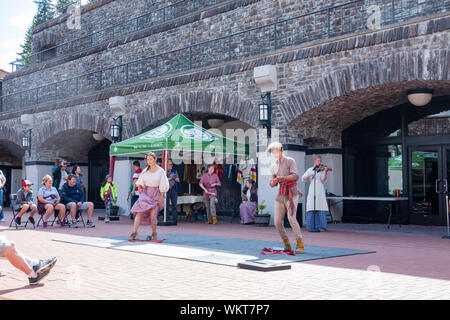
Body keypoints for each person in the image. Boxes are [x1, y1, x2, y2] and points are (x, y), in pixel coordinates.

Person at [268, 142, 305, 254]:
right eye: (272, 152)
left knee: (291, 218)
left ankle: (300, 244)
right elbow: (271, 184)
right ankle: (287, 244)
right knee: (277, 222)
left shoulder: (290, 160)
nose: (274, 154)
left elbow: (295, 176)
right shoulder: (273, 166)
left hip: (292, 193)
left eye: (276, 151)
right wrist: (273, 182)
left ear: (282, 150)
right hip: (281, 195)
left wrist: (282, 178)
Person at [129, 152, 169, 241]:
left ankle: (154, 232)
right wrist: (139, 187)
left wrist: (161, 197)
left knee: (153, 215)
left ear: (155, 159)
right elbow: (140, 181)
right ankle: (134, 232)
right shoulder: (145, 170)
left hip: (156, 194)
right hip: (145, 194)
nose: (149, 161)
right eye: (147, 159)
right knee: (139, 212)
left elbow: (163, 184)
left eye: (151, 159)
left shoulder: (160, 171)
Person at [302, 155, 329, 232]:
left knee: (320, 205)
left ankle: (322, 226)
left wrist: (326, 172)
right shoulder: (310, 169)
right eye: (318, 161)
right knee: (311, 205)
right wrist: (310, 175)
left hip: (319, 187)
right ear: (314, 161)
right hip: (312, 187)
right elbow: (303, 178)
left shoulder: (322, 170)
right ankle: (311, 226)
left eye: (320, 161)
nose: (319, 162)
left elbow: (323, 180)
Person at [166, 159, 180, 225]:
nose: (171, 165)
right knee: (167, 205)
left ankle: (175, 219)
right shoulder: (164, 171)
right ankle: (167, 218)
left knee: (174, 205)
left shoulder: (174, 171)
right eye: (170, 164)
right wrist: (170, 178)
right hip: (167, 189)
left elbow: (178, 180)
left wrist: (174, 178)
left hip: (174, 189)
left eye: (172, 164)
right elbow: (164, 180)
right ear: (167, 165)